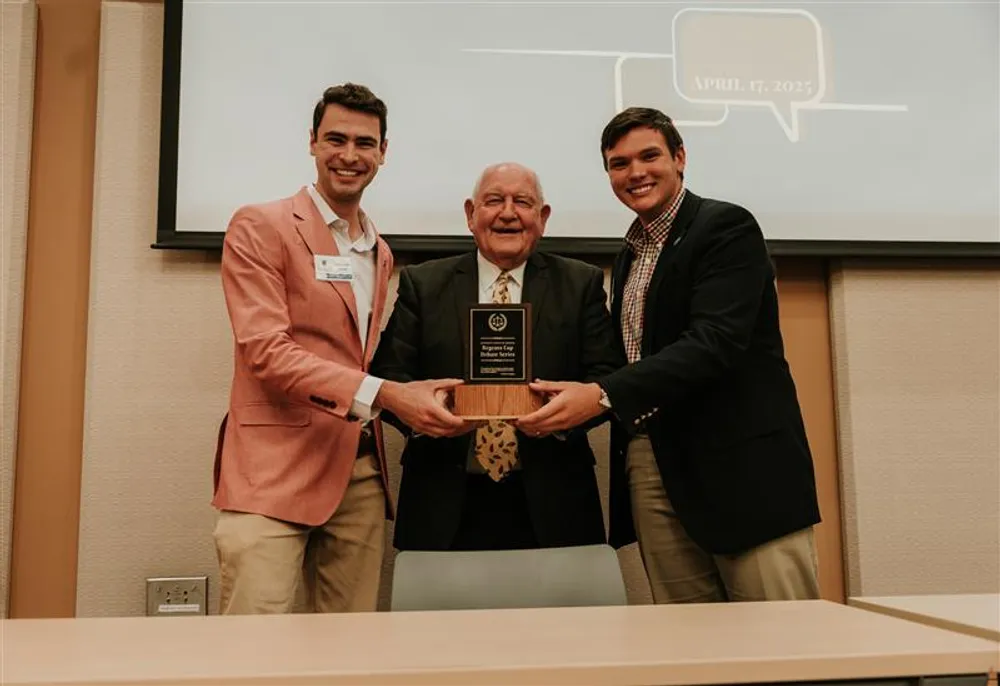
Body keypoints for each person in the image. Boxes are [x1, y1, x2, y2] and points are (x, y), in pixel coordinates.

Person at [517, 107, 822, 603]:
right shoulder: (631, 253)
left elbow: (714, 343)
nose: (635, 173)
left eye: (649, 156)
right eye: (619, 164)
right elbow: (633, 361)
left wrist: (600, 394)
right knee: (686, 644)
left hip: (741, 475)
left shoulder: (725, 227)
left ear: (680, 158)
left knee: (780, 644)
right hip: (655, 466)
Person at [212, 83, 465, 615]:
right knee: (254, 655)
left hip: (360, 473)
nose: (350, 156)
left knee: (350, 654)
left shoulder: (381, 249)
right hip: (272, 474)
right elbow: (266, 352)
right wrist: (391, 395)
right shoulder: (260, 225)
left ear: (383, 153)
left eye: (365, 143)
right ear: (312, 143)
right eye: (336, 139)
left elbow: (355, 354)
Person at [370, 162, 624, 551]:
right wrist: (425, 413)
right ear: (471, 215)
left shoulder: (580, 283)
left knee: (563, 615)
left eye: (522, 202)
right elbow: (389, 377)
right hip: (443, 495)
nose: (508, 213)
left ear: (543, 217)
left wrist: (567, 413)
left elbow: (608, 376)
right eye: (494, 201)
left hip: (555, 498)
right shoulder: (424, 283)